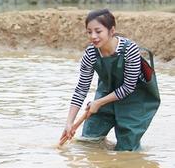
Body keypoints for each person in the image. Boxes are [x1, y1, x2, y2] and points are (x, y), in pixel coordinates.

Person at [61, 9, 160, 151]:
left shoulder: (129, 49)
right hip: (106, 93)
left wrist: (98, 102)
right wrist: (69, 122)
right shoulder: (90, 53)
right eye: (89, 32)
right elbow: (82, 88)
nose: (93, 36)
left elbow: (128, 87)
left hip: (135, 100)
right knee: (89, 143)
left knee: (126, 151)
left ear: (111, 30)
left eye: (98, 31)